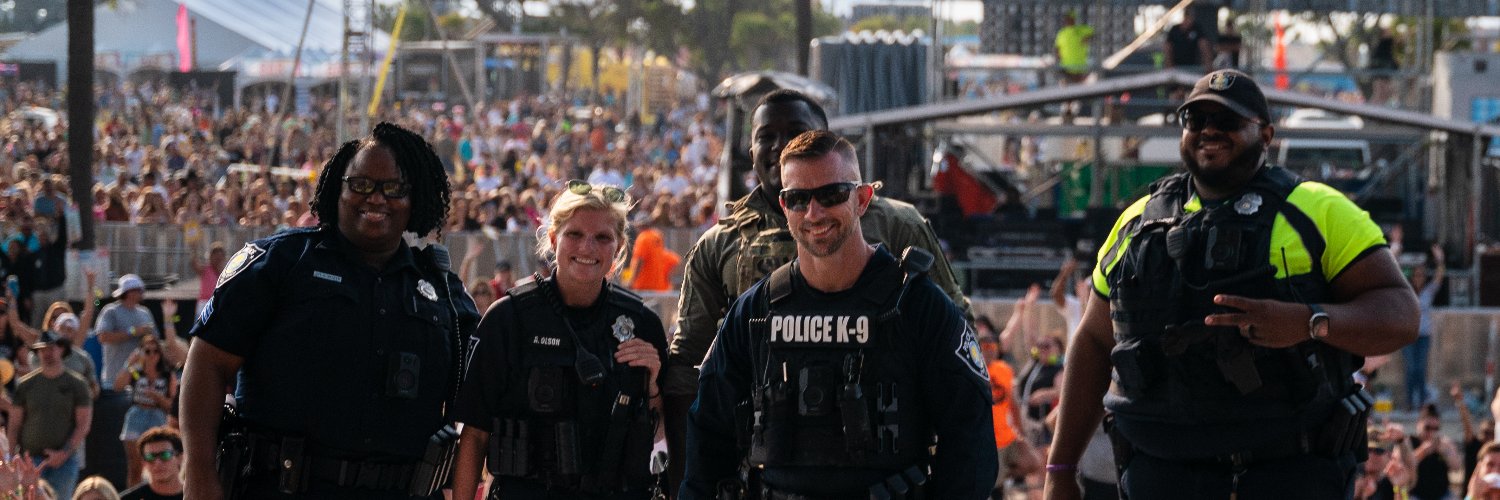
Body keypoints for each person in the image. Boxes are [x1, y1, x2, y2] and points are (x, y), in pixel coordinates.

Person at [1042, 70, 1419, 500]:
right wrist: (1060, 469)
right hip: (1158, 476)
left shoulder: (1318, 210)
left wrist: (1308, 322)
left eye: (1228, 121)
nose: (1209, 131)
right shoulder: (1137, 221)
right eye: (1196, 120)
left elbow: (1402, 314)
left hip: (1287, 477)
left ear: (1266, 134)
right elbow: (1093, 341)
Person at [664, 89, 971, 494]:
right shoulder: (722, 245)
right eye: (766, 136)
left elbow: (955, 342)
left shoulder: (896, 224)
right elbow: (690, 371)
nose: (780, 145)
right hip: (769, 458)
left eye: (795, 132)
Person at [180, 122, 481, 500]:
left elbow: (485, 391)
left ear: (413, 198)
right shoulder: (281, 262)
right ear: (338, 188)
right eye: (361, 184)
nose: (376, 198)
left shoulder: (443, 291)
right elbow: (208, 362)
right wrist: (199, 474)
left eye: (394, 189)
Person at [451, 179, 668, 499]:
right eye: (575, 234)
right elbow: (474, 436)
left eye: (602, 237)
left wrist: (654, 386)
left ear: (620, 247)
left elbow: (663, 435)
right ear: (553, 239)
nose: (587, 248)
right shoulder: (508, 319)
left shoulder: (642, 323)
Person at [10, 330, 94, 500]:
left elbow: (83, 425)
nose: (47, 353)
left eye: (51, 348)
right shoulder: (25, 385)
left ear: (61, 349)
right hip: (30, 461)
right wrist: (12, 458)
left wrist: (64, 453)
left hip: (63, 461)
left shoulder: (77, 384)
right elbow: (14, 425)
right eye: (42, 350)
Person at [114, 335, 177, 487]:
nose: (152, 355)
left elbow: (172, 405)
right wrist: (129, 363)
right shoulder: (136, 373)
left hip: (158, 416)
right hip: (136, 415)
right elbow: (118, 386)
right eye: (147, 351)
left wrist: (158, 398)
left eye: (156, 351)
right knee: (135, 465)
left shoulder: (167, 375)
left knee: (158, 461)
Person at [1405, 244, 1444, 410]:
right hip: (1409, 335)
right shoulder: (1406, 291)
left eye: (1421, 275)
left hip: (1424, 335)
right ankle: (1409, 401)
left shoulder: (1428, 291)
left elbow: (1439, 277)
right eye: (1416, 275)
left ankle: (1421, 401)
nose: (1419, 278)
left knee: (1420, 368)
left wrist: (1440, 260)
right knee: (1411, 368)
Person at [119, 426, 184, 500]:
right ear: (143, 462)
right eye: (150, 457)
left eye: (165, 455)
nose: (157, 463)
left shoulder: (193, 495)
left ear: (180, 457)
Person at [625, 224, 681, 292]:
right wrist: (667, 278)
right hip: (660, 289)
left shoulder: (643, 238)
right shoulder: (656, 237)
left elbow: (639, 261)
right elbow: (676, 261)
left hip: (644, 288)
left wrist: (631, 282)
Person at [1055, 11, 1094, 84]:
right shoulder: (1061, 33)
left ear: (1074, 19)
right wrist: (1058, 59)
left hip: (1080, 68)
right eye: (1067, 19)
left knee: (1081, 87)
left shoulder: (1081, 30)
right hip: (1066, 69)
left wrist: (1089, 38)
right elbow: (1057, 48)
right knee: (1067, 87)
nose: (1069, 21)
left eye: (1071, 18)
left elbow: (1094, 33)